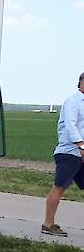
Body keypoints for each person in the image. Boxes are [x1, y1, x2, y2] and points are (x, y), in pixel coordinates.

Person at [42, 72, 84, 236]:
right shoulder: (74, 100)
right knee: (60, 187)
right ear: (80, 82)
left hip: (80, 152)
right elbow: (70, 125)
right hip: (69, 152)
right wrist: (81, 146)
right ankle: (48, 224)